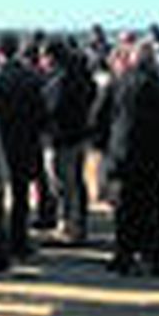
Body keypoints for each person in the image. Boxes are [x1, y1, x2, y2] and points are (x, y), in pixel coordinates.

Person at [99, 39, 159, 276]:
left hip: (124, 154)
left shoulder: (118, 84)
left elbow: (100, 117)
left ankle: (124, 256)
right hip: (155, 157)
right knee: (153, 209)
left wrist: (105, 147)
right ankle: (156, 258)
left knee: (125, 210)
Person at [0, 32, 47, 260]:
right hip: (24, 143)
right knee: (21, 195)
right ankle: (19, 241)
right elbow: (41, 114)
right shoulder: (31, 79)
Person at [41, 38, 96, 245]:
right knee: (76, 184)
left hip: (61, 139)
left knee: (63, 185)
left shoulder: (58, 82)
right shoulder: (81, 77)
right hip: (79, 137)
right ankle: (77, 226)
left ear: (51, 57)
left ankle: (68, 229)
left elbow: (50, 109)